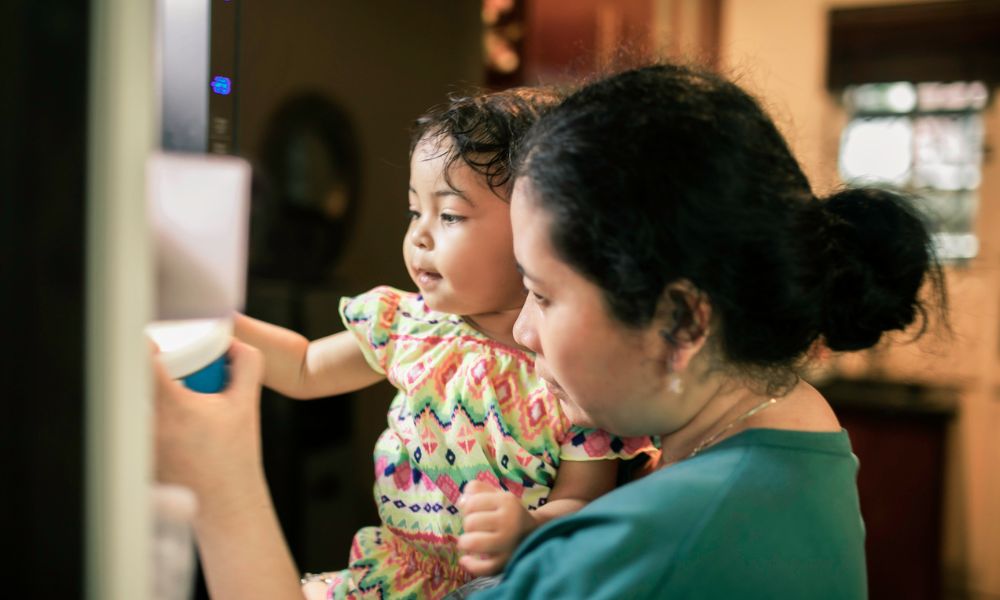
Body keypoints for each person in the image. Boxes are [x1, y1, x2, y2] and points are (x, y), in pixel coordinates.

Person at [155, 63, 944, 600]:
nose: (522, 332)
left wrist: (219, 485)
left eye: (542, 293)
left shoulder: (628, 548)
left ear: (681, 320)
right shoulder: (798, 431)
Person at [231, 87, 656, 599]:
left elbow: (584, 505)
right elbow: (302, 367)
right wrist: (215, 320)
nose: (420, 237)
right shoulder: (413, 324)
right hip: (393, 577)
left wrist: (528, 528)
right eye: (415, 212)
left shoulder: (569, 372)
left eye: (449, 215)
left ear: (537, 226)